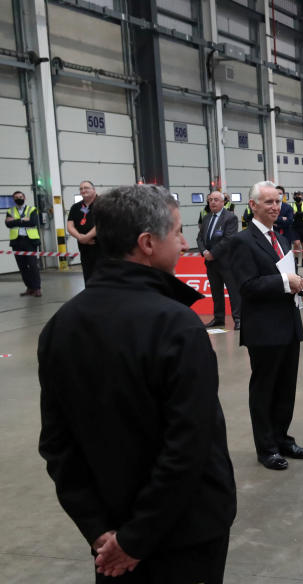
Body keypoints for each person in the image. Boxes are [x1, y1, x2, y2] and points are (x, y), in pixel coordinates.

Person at [38, 184, 236, 583]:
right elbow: (187, 446)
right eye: (177, 232)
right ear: (147, 243)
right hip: (183, 536)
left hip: (108, 537)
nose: (183, 243)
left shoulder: (61, 327)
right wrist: (136, 540)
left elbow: (58, 446)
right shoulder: (176, 325)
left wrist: (98, 531)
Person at [231, 181, 303, 471]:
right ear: (253, 205)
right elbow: (247, 285)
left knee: (286, 387)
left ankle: (282, 438)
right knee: (264, 388)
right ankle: (266, 447)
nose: (275, 207)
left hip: (288, 322)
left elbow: (285, 275)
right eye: (268, 202)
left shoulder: (280, 238)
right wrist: (284, 282)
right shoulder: (243, 241)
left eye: (277, 202)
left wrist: (297, 285)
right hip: (264, 329)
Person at [198, 191, 241, 330]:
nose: (213, 202)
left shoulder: (230, 218)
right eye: (210, 200)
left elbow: (228, 239)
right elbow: (199, 238)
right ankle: (218, 318)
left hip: (226, 262)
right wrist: (204, 251)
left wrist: (213, 253)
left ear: (223, 202)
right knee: (216, 292)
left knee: (233, 291)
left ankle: (238, 319)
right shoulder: (206, 218)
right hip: (211, 263)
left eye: (216, 199)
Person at [5, 190, 42, 297]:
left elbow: (33, 222)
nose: (18, 199)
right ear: (13, 199)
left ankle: (37, 288)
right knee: (22, 267)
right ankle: (29, 287)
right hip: (16, 242)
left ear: (24, 198)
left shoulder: (32, 209)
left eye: (20, 196)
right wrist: (22, 219)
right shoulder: (10, 210)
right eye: (16, 197)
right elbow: (8, 225)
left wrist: (15, 221)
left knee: (33, 265)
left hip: (30, 241)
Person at [66, 180, 100, 282]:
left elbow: (102, 223)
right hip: (84, 247)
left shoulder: (103, 203)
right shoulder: (76, 207)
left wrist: (86, 237)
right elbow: (70, 225)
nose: (83, 190)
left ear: (94, 190)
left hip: (101, 247)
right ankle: (90, 295)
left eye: (86, 188)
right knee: (88, 273)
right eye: (81, 188)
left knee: (102, 273)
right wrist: (80, 237)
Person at [291, 190, 303, 267]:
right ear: (294, 197)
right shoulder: (292, 205)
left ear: (302, 196)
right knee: (296, 243)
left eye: (300, 195)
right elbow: (292, 215)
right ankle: (296, 260)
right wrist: (300, 214)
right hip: (295, 227)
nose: (298, 197)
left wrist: (296, 213)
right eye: (296, 195)